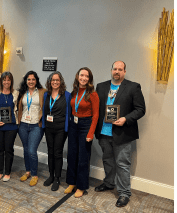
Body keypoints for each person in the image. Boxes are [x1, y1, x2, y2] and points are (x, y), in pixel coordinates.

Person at [94, 61, 145, 207]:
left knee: (122, 164)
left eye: (120, 69)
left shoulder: (133, 87)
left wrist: (125, 119)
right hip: (104, 133)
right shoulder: (101, 86)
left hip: (122, 134)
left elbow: (140, 109)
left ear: (124, 71)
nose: (117, 71)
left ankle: (124, 193)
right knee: (108, 160)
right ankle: (109, 183)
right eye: (115, 69)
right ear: (111, 70)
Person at [64, 67, 99, 197]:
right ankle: (71, 182)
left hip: (85, 125)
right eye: (81, 75)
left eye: (86, 76)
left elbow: (95, 116)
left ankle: (81, 186)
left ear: (89, 79)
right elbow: (71, 110)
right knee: (72, 155)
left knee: (83, 158)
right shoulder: (74, 92)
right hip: (74, 124)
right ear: (77, 76)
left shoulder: (93, 94)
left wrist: (91, 133)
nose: (83, 78)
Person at [42, 71, 71, 191]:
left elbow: (68, 112)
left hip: (60, 129)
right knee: (50, 151)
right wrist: (44, 126)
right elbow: (44, 112)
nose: (55, 82)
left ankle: (58, 178)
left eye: (57, 80)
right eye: (53, 80)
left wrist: (66, 129)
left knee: (57, 153)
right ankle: (51, 176)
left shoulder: (67, 95)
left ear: (61, 82)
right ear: (50, 82)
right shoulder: (46, 95)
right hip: (48, 128)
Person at [17, 71, 47, 186]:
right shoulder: (22, 93)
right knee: (25, 149)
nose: (31, 81)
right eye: (29, 79)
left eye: (33, 79)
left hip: (36, 125)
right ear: (26, 81)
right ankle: (28, 171)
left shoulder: (42, 92)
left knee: (31, 150)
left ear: (36, 80)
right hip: (23, 124)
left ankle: (34, 174)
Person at [0, 72, 19, 182]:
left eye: (8, 80)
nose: (6, 82)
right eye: (4, 80)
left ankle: (7, 172)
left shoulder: (16, 93)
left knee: (9, 149)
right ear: (1, 81)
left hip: (11, 127)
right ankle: (0, 171)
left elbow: (18, 109)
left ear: (11, 81)